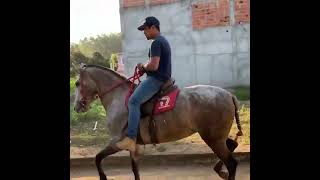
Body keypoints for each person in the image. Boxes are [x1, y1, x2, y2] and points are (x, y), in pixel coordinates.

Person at [116, 16, 172, 152]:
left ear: (153, 27)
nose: (144, 32)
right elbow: (153, 64)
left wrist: (143, 66)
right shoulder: (162, 41)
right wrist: (144, 67)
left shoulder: (156, 43)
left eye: (145, 29)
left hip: (156, 80)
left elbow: (153, 66)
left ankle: (131, 138)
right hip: (161, 78)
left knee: (133, 101)